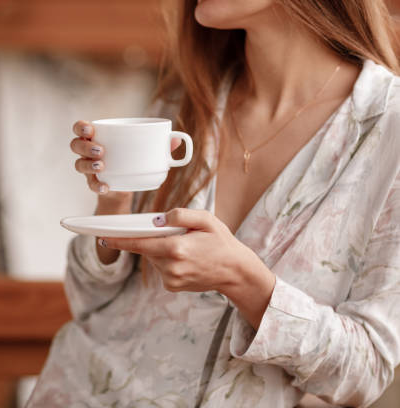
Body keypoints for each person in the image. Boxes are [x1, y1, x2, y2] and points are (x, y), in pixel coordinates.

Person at [27, 0, 400, 406]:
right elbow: (90, 302)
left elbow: (366, 371)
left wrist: (246, 282)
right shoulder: (188, 101)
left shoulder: (386, 130)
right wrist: (114, 203)